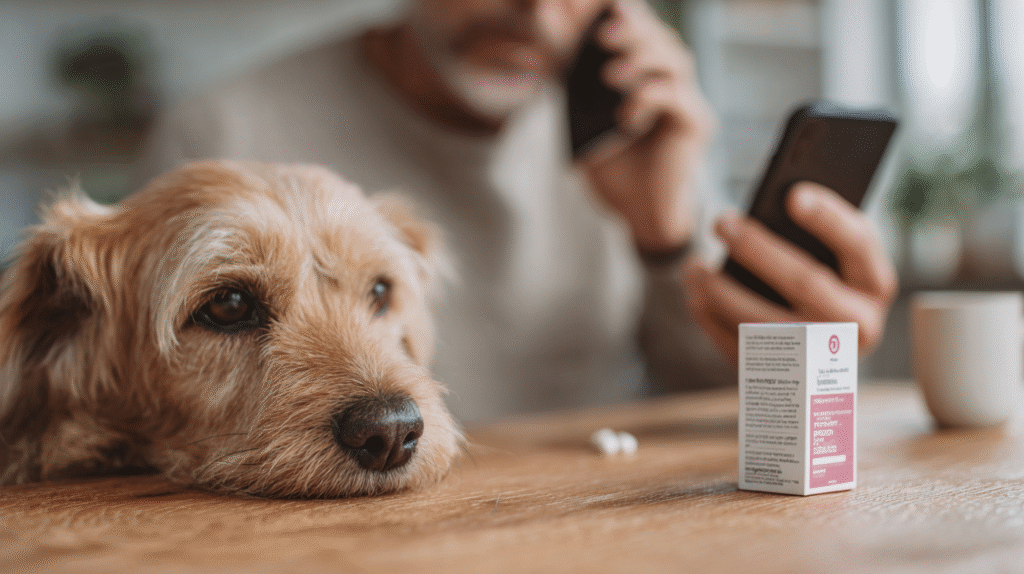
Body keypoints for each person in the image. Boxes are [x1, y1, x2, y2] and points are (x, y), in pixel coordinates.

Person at [141, 0, 897, 422]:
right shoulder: (222, 130)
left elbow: (706, 404)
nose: (537, 12)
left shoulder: (632, 136)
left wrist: (663, 240)